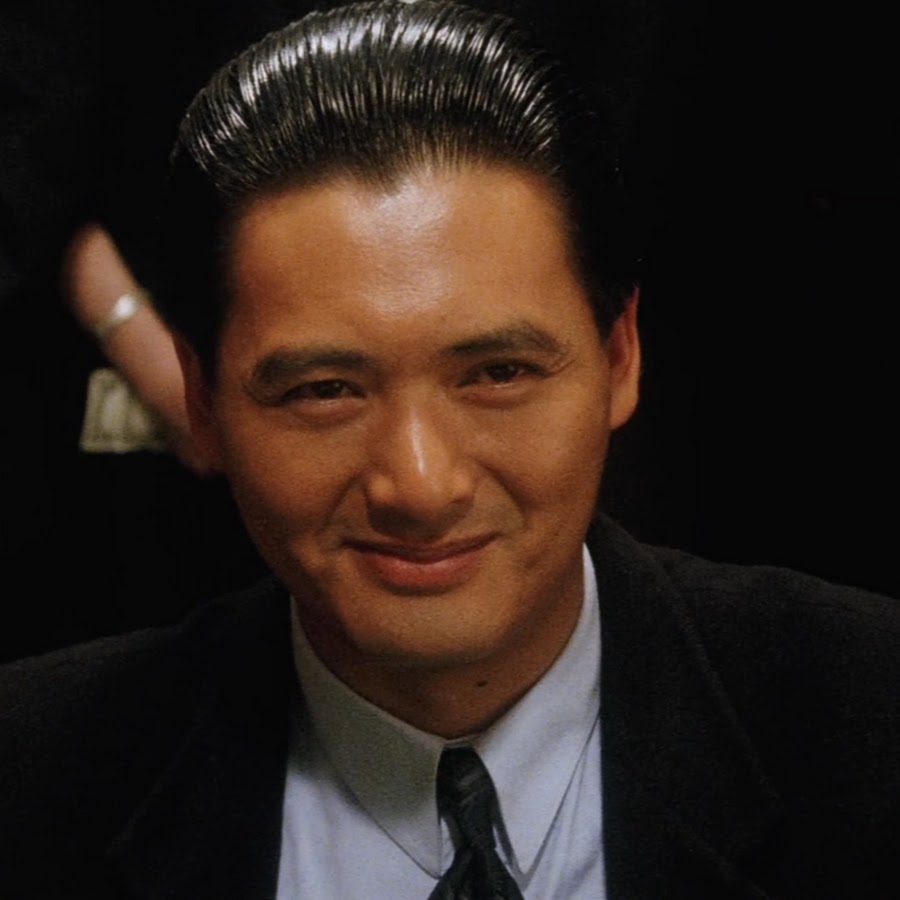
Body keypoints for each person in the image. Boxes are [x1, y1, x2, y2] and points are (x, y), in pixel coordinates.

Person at [1, 1, 897, 897]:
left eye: (498, 374)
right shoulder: (34, 779)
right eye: (326, 391)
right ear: (201, 399)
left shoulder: (869, 724)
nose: (421, 485)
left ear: (620, 356)